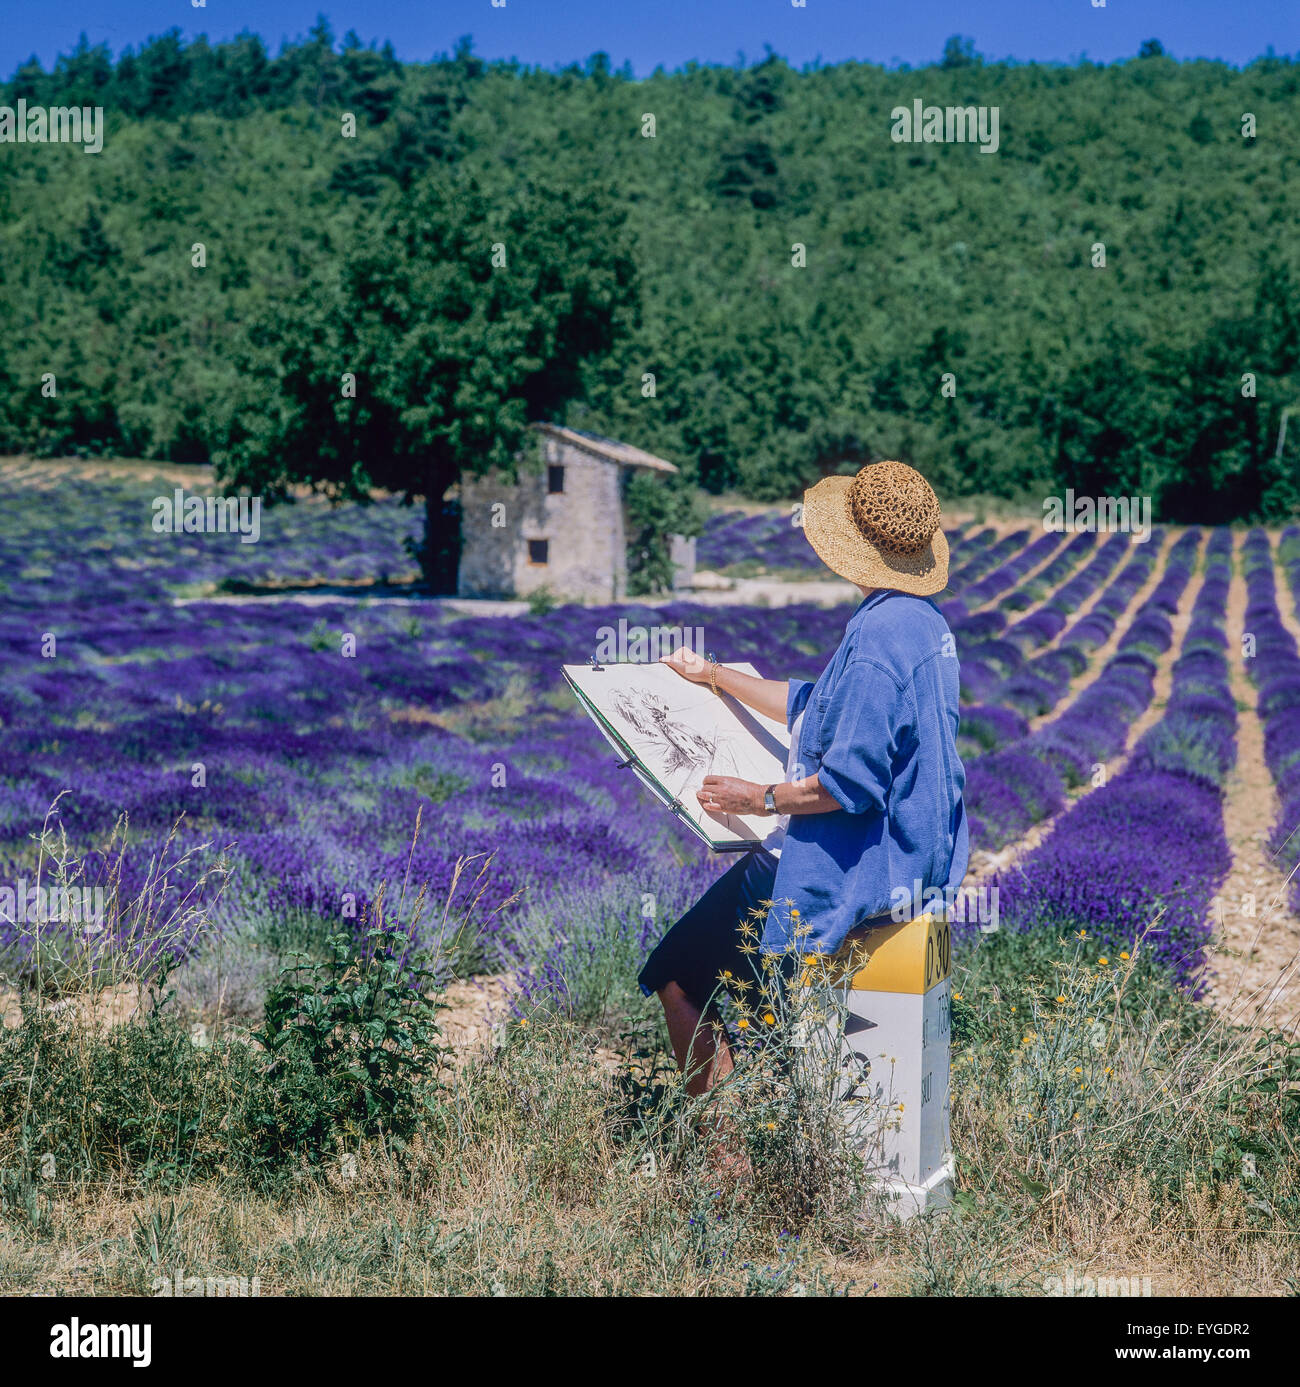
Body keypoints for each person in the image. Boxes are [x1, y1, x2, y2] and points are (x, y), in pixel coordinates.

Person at [638, 459, 968, 1100]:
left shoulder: (875, 640)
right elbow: (814, 704)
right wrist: (714, 675)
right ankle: (775, 1152)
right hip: (912, 862)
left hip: (840, 868)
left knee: (677, 973)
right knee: (768, 1018)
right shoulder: (924, 624)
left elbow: (849, 786)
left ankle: (725, 1158)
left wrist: (755, 798)